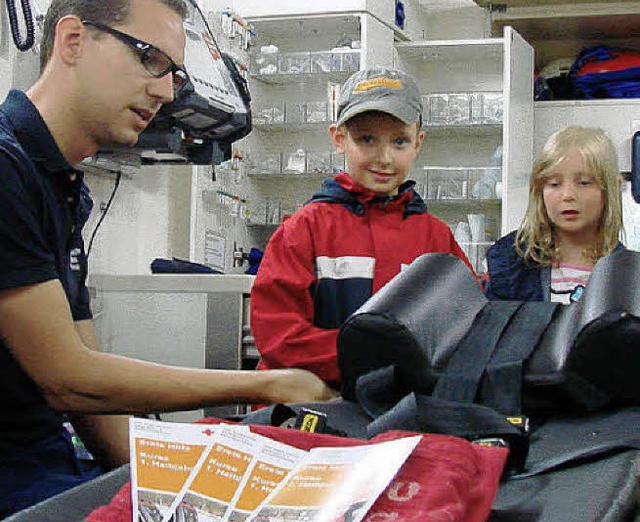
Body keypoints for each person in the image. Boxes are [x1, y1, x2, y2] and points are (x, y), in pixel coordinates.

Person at [0, 0, 333, 520]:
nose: (164, 91)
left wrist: (177, 491)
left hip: (48, 471)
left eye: (174, 75)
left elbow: (90, 382)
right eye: (150, 59)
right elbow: (69, 381)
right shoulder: (6, 167)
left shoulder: (61, 188)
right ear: (73, 39)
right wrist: (274, 384)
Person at [250, 65, 473, 388]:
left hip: (406, 410)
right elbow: (278, 336)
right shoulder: (304, 229)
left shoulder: (436, 237)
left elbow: (466, 327)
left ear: (418, 143)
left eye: (399, 141)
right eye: (367, 139)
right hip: (316, 409)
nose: (384, 158)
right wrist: (378, 360)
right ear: (339, 139)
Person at [484, 125, 624, 303]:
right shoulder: (510, 266)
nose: (567, 195)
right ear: (539, 190)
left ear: (612, 188)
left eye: (584, 182)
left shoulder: (628, 276)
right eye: (554, 184)